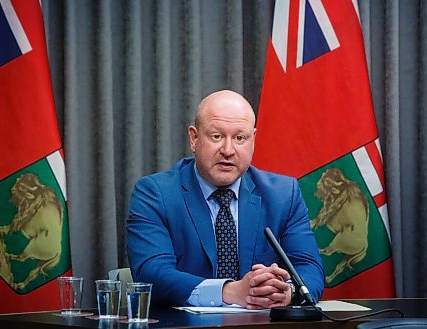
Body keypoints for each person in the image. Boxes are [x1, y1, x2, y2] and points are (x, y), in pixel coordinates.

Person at [126, 90, 324, 309]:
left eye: (240, 138)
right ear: (194, 138)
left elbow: (310, 268)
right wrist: (230, 291)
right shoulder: (156, 193)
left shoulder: (284, 194)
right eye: (216, 136)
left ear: (253, 140)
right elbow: (152, 272)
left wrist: (288, 291)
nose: (228, 150)